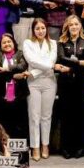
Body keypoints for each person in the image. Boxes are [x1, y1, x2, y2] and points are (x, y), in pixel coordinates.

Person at [23, 18, 59, 160]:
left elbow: (51, 61)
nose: (40, 31)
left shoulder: (53, 43)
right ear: (33, 30)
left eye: (43, 28)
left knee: (46, 116)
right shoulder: (27, 43)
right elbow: (32, 61)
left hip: (49, 82)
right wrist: (48, 67)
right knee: (34, 116)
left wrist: (34, 72)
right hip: (33, 83)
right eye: (37, 28)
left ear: (46, 29)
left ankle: (45, 145)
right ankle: (35, 146)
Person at [56, 15, 84, 159]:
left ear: (80, 26)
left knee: (80, 115)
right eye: (71, 25)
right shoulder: (61, 42)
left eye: (76, 24)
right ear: (67, 27)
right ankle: (66, 147)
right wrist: (79, 63)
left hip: (81, 83)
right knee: (66, 115)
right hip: (65, 83)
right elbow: (61, 58)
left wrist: (71, 66)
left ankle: (80, 147)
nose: (74, 27)